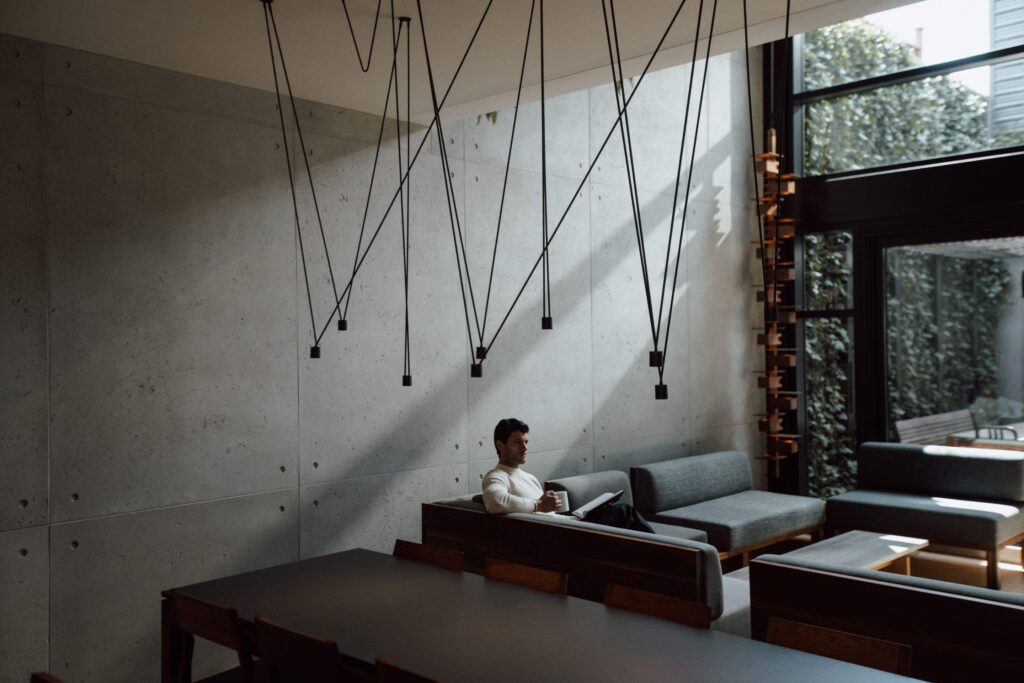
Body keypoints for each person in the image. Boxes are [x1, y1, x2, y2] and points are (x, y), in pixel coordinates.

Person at [482, 417, 654, 532]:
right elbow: (495, 502)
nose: (525, 448)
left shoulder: (529, 478)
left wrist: (550, 506)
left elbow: (543, 511)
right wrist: (539, 504)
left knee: (616, 513)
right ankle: (669, 554)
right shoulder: (497, 476)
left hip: (566, 524)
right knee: (625, 512)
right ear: (500, 445)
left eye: (526, 442)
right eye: (517, 442)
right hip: (560, 535)